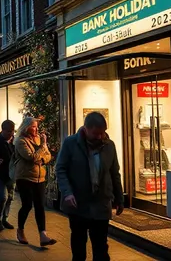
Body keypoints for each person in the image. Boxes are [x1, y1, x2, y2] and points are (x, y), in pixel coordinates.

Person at [56, 112, 123, 261]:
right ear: (85, 129)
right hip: (78, 203)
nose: (100, 137)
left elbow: (114, 173)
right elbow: (60, 169)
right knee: (79, 246)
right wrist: (67, 192)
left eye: (102, 132)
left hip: (101, 203)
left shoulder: (109, 146)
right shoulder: (70, 143)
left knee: (101, 247)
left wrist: (119, 198)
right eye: (95, 133)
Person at [14, 117, 56, 246]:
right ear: (26, 127)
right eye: (33, 126)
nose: (36, 129)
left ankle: (43, 235)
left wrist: (42, 160)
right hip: (25, 177)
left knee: (40, 206)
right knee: (27, 205)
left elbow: (48, 155)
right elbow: (31, 157)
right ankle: (20, 230)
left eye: (37, 126)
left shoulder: (38, 139)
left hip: (40, 177)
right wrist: (42, 147)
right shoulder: (21, 141)